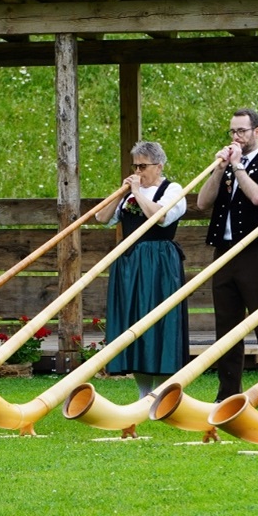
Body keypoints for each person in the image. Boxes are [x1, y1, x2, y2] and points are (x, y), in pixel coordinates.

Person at [196, 108, 258, 403]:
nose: (237, 137)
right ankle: (227, 392)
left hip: (255, 253)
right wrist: (219, 169)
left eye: (242, 131)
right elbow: (202, 202)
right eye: (233, 132)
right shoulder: (225, 166)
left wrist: (238, 168)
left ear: (257, 132)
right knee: (226, 324)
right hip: (223, 252)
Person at [94, 141, 188, 398]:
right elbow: (102, 219)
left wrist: (138, 192)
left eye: (143, 166)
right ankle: (143, 393)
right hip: (130, 263)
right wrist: (121, 194)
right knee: (133, 323)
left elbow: (161, 217)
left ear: (159, 166)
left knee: (160, 324)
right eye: (135, 165)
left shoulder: (173, 190)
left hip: (159, 263)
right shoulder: (129, 193)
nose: (138, 170)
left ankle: (163, 392)